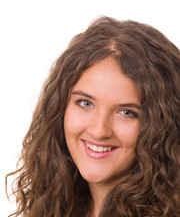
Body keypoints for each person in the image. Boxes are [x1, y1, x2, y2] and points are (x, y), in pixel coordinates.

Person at [6, 16, 180, 217]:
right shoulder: (52, 208)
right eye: (85, 103)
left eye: (127, 113)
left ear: (165, 125)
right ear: (59, 107)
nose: (99, 131)